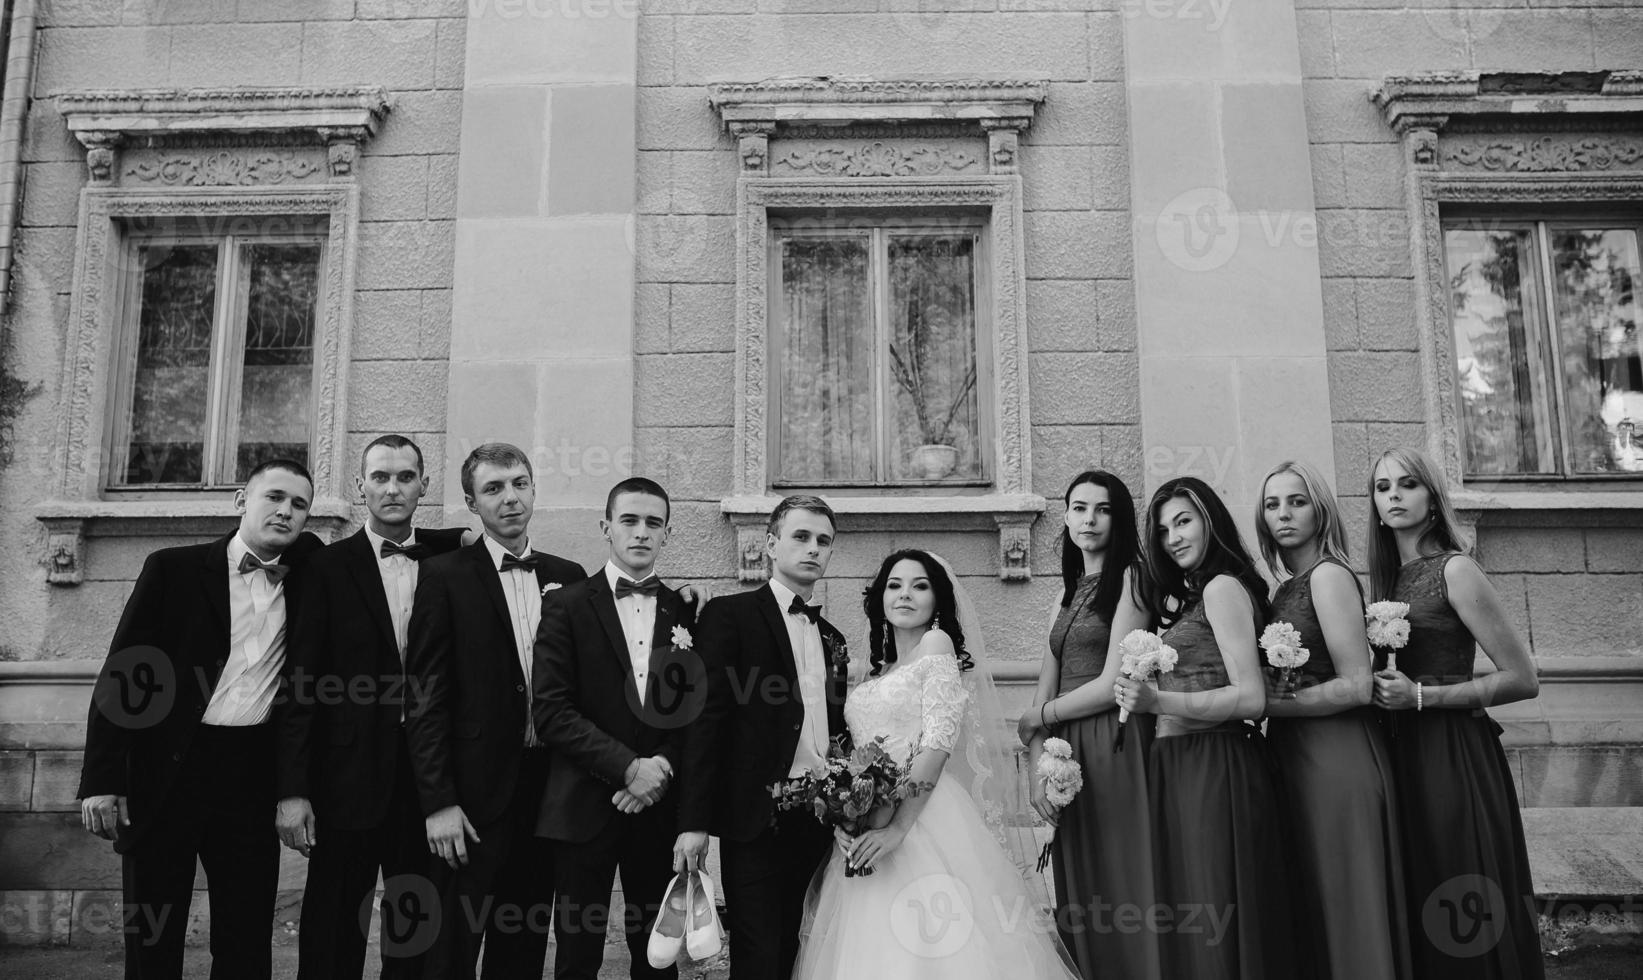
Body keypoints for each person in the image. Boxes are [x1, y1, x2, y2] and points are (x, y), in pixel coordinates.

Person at [77, 458, 325, 980]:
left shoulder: (312, 571)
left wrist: (457, 536)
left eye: (299, 504)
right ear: (241, 500)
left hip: (251, 775)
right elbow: (123, 672)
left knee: (246, 935)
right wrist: (101, 778)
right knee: (153, 930)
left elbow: (385, 544)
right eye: (273, 497)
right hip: (166, 770)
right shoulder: (173, 568)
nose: (285, 511)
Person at [793, 549, 1081, 979]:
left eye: (919, 585)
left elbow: (937, 744)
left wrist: (897, 829)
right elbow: (856, 759)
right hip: (869, 825)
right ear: (880, 600)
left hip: (922, 818)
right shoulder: (877, 672)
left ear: (937, 600)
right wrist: (846, 814)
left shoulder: (936, 643)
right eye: (894, 585)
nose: (905, 594)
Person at [274, 435, 468, 980]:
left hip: (428, 777)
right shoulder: (324, 568)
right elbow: (299, 685)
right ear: (360, 486)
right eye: (380, 477)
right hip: (344, 778)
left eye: (405, 477)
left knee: (414, 922)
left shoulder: (451, 561)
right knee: (333, 923)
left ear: (424, 487)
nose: (392, 488)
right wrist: (292, 790)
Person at [404, 443, 586, 980]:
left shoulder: (569, 575)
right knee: (451, 947)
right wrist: (438, 803)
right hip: (471, 796)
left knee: (524, 943)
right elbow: (425, 697)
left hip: (548, 792)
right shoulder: (443, 575)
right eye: (494, 488)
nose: (510, 498)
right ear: (471, 501)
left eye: (520, 484)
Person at [1366, 448, 1543, 980]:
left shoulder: (1457, 570)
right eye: (1382, 487)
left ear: (1433, 499)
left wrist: (1422, 697)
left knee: (1459, 885)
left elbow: (1522, 679)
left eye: (1407, 484)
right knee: (1417, 888)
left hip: (1452, 753)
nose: (1393, 495)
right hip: (1398, 752)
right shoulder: (1385, 582)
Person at [1115, 476, 1296, 980]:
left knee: (1214, 907)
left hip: (1214, 763)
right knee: (1194, 912)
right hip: (1179, 765)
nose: (1172, 537)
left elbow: (1252, 696)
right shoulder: (1194, 595)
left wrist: (1157, 699)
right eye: (1163, 528)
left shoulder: (1221, 587)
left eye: (1184, 521)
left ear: (1211, 520)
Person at [674, 495, 850, 980]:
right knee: (756, 951)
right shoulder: (730, 616)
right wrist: (693, 822)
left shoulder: (833, 636)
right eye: (801, 536)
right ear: (771, 544)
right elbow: (704, 722)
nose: (813, 548)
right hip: (756, 817)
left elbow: (835, 731)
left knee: (803, 946)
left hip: (818, 818)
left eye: (824, 541)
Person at [533, 477, 699, 980]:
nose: (641, 532)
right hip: (583, 803)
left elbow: (694, 714)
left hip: (657, 808)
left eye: (654, 523)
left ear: (667, 533)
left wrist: (662, 768)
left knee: (657, 952)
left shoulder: (686, 610)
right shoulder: (566, 605)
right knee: (577, 951)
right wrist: (628, 769)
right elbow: (552, 710)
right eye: (629, 520)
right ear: (606, 527)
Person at [1255, 459, 1412, 980]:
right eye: (1273, 504)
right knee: (1315, 898)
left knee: (1348, 899)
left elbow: (1355, 684)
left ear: (1320, 511)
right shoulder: (1283, 589)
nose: (1284, 514)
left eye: (1297, 502)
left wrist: (1259, 705)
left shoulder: (1327, 576)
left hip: (1336, 757)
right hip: (1295, 756)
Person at [1018, 470, 1160, 980]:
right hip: (1066, 751)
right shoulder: (1067, 591)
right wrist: (1038, 761)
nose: (1089, 519)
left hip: (1112, 739)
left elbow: (1107, 684)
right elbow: (1045, 677)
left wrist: (1040, 717)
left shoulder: (1134, 579)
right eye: (1079, 508)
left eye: (1102, 509)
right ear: (1067, 517)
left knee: (1121, 872)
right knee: (1078, 883)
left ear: (1118, 519)